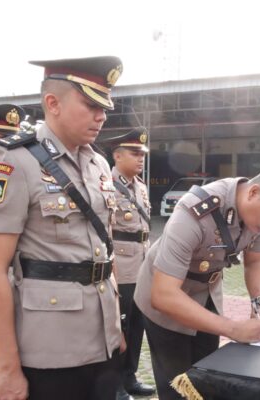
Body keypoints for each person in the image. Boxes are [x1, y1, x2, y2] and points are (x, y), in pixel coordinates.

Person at [133, 149, 260, 400]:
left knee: (209, 379)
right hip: (166, 301)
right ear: (253, 192)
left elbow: (254, 262)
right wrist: (233, 329)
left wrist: (259, 305)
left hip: (206, 294)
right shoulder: (193, 212)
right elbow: (164, 295)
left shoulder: (257, 215)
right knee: (179, 388)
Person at [0, 56, 124, 400]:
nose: (102, 115)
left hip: (104, 341)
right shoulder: (15, 162)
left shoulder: (99, 165)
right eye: (91, 104)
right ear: (53, 103)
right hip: (50, 349)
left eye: (105, 106)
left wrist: (117, 327)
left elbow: (105, 250)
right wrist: (6, 367)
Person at [102, 127, 155, 399]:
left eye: (142, 154)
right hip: (120, 266)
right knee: (118, 328)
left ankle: (130, 377)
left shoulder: (141, 187)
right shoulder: (106, 184)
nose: (140, 159)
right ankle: (116, 384)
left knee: (137, 326)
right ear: (117, 155)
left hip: (142, 264)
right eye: (134, 153)